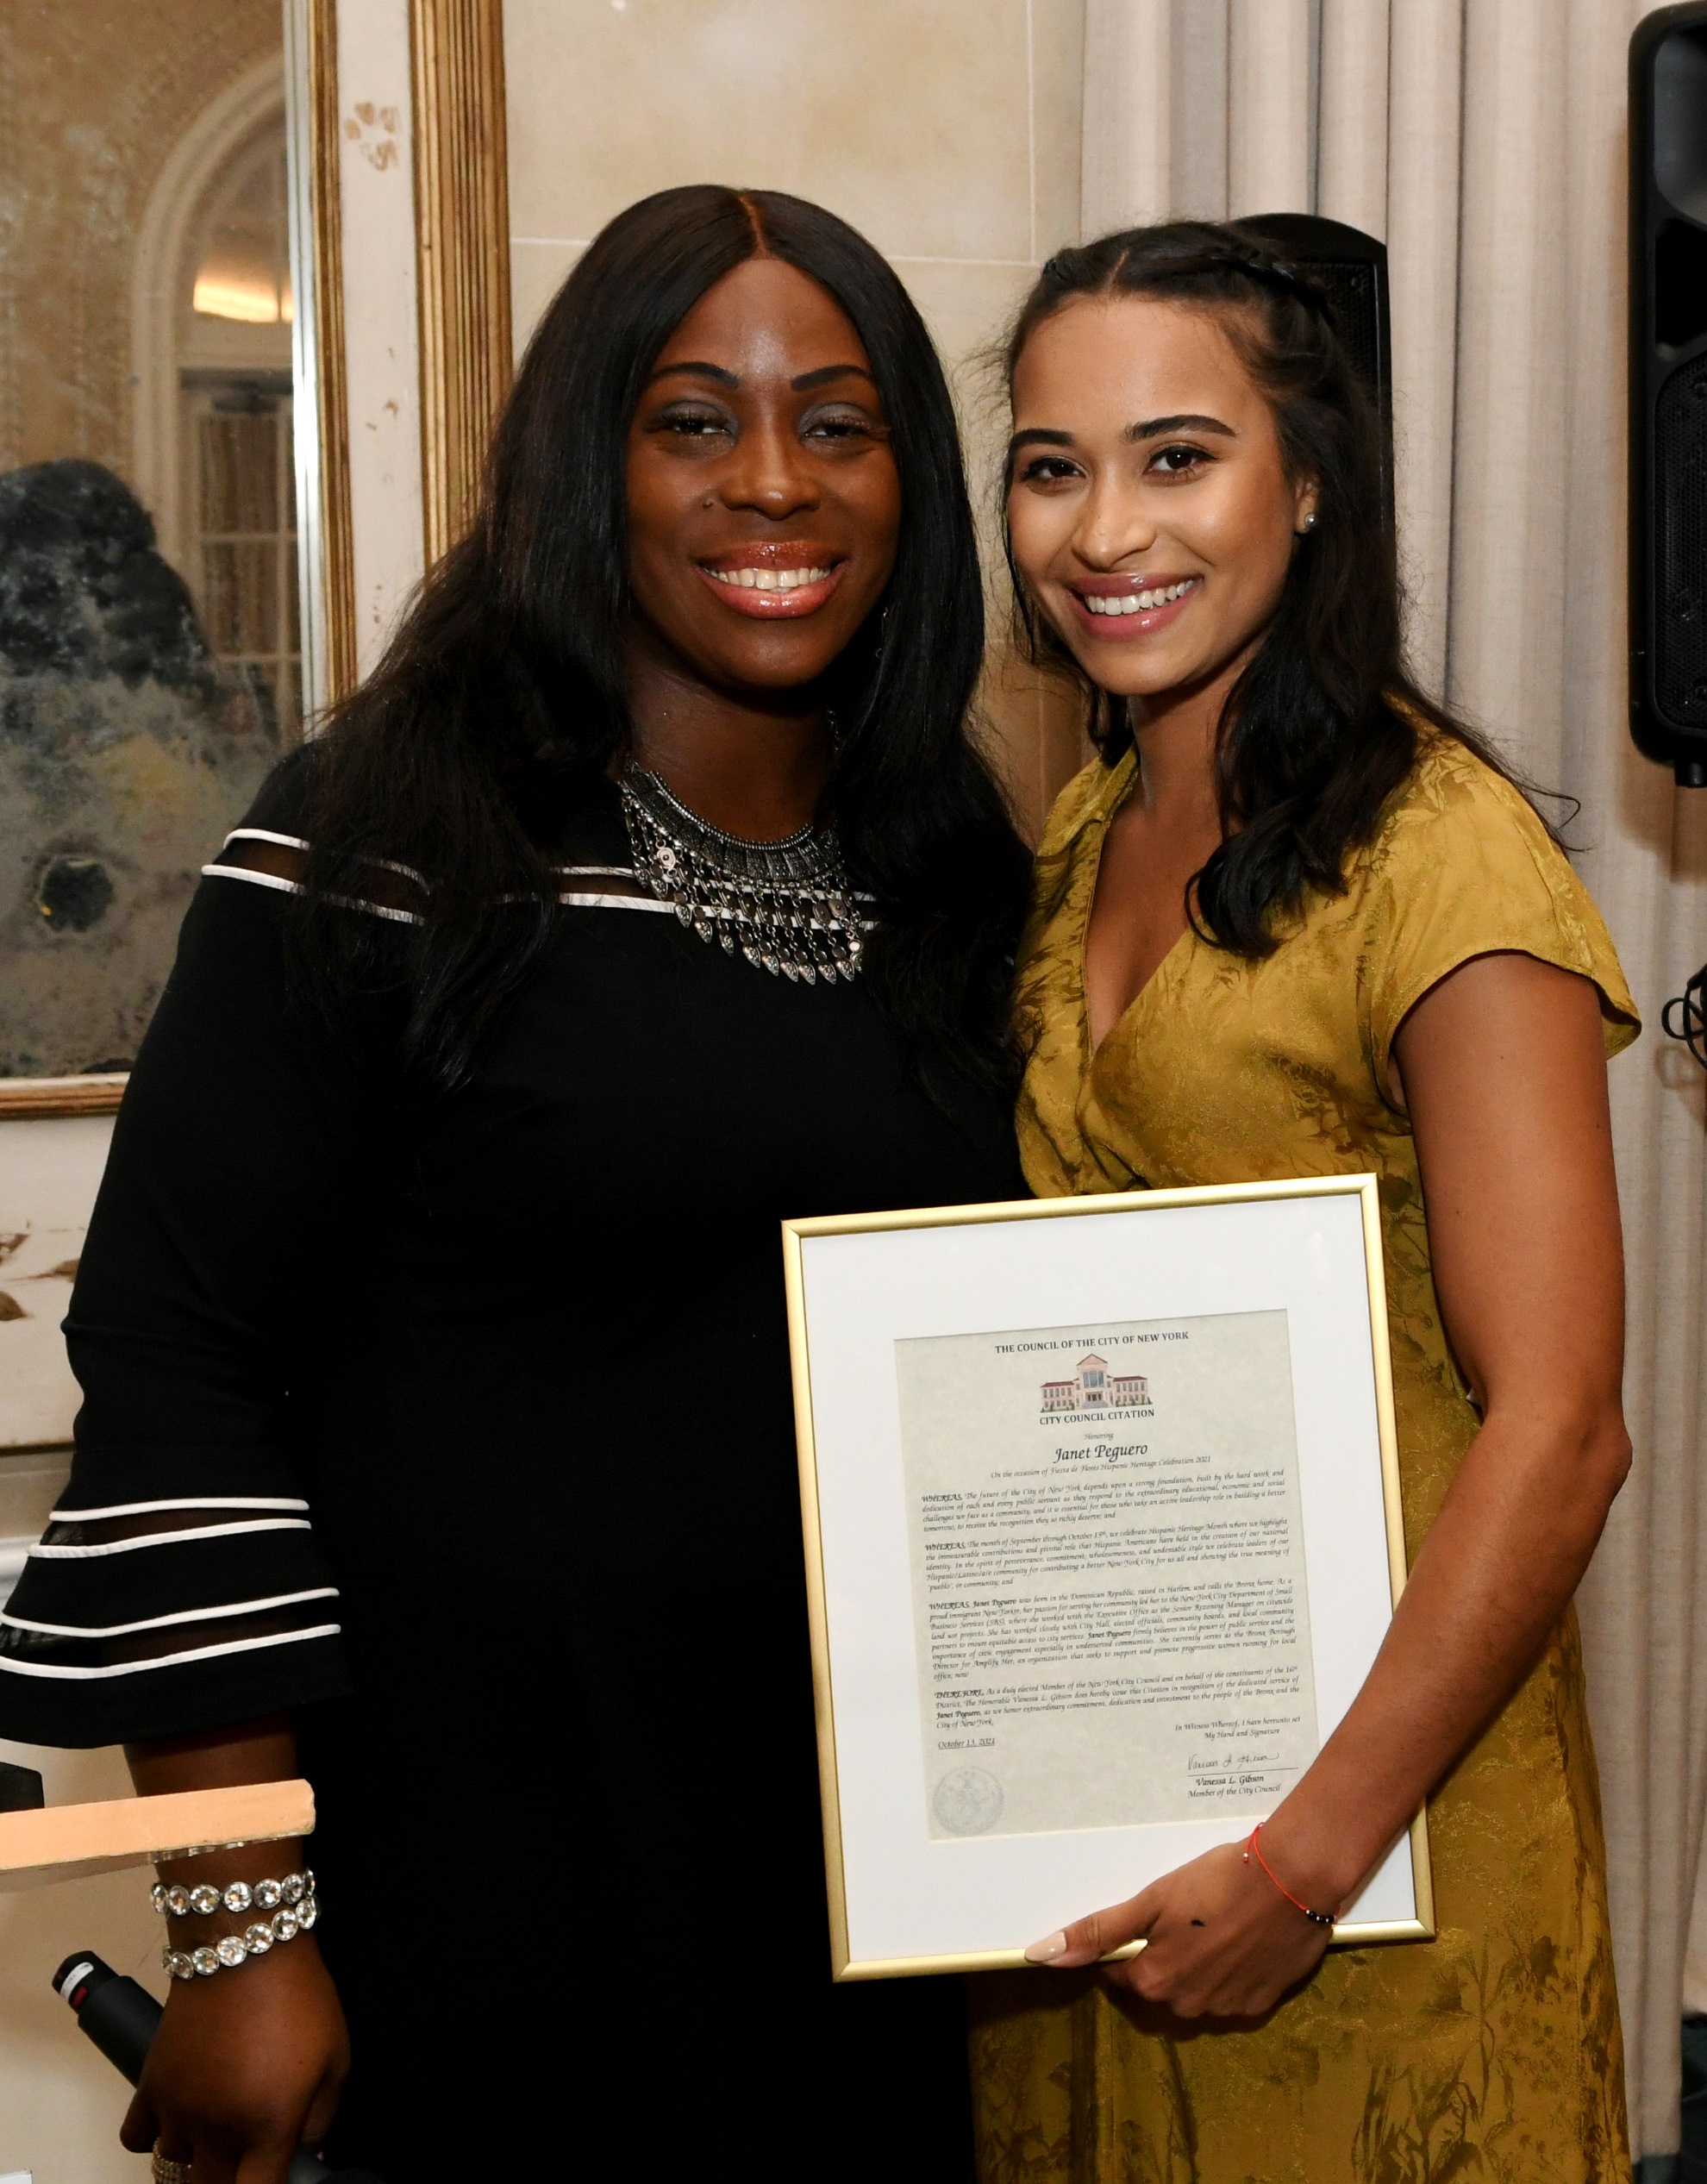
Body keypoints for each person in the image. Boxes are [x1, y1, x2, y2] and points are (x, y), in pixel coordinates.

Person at [0, 186, 1030, 2182]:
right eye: (691, 419)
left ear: (912, 475)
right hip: (482, 1889)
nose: (771, 484)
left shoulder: (956, 874)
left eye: (836, 421)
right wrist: (237, 1925)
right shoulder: (386, 833)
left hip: (861, 1895)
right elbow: (175, 1366)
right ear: (586, 459)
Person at [969, 222, 1636, 2182]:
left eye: (1179, 457)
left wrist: (1307, 1852)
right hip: (1107, 1820)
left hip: (1372, 1842)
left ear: (1312, 478)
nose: (1106, 531)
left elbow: (1567, 1425)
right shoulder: (1092, 823)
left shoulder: (1444, 854)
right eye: (1051, 463)